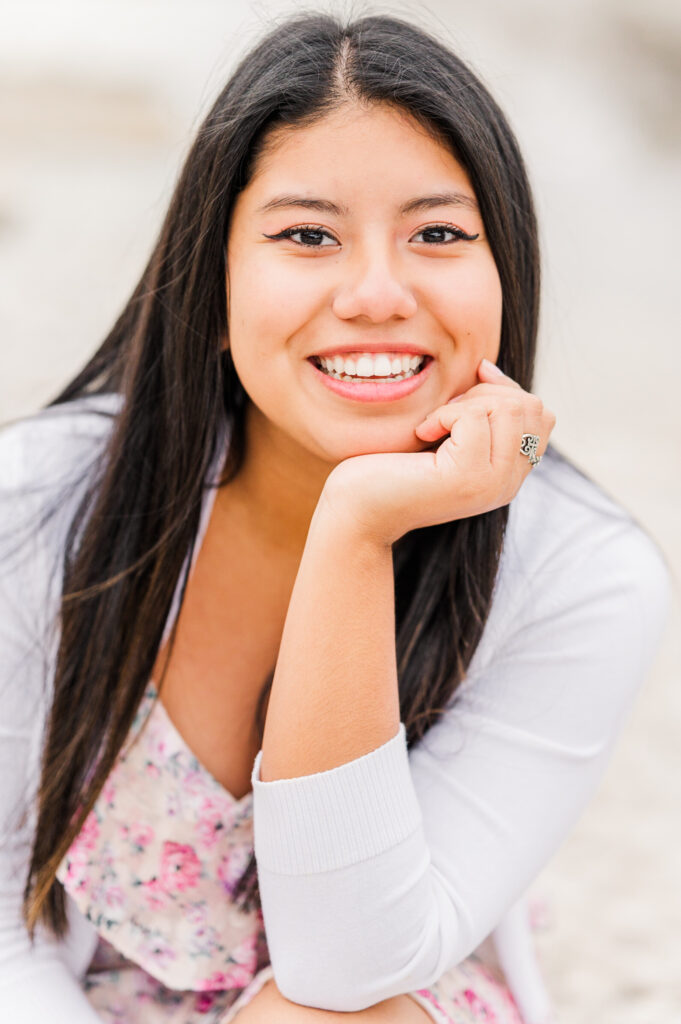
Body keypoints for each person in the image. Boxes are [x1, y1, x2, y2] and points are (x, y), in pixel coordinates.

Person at [0, 11, 670, 1024]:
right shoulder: (38, 503)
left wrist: (357, 530)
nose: (375, 293)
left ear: (506, 273)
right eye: (307, 235)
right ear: (215, 280)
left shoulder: (583, 576)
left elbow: (353, 959)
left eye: (438, 233)